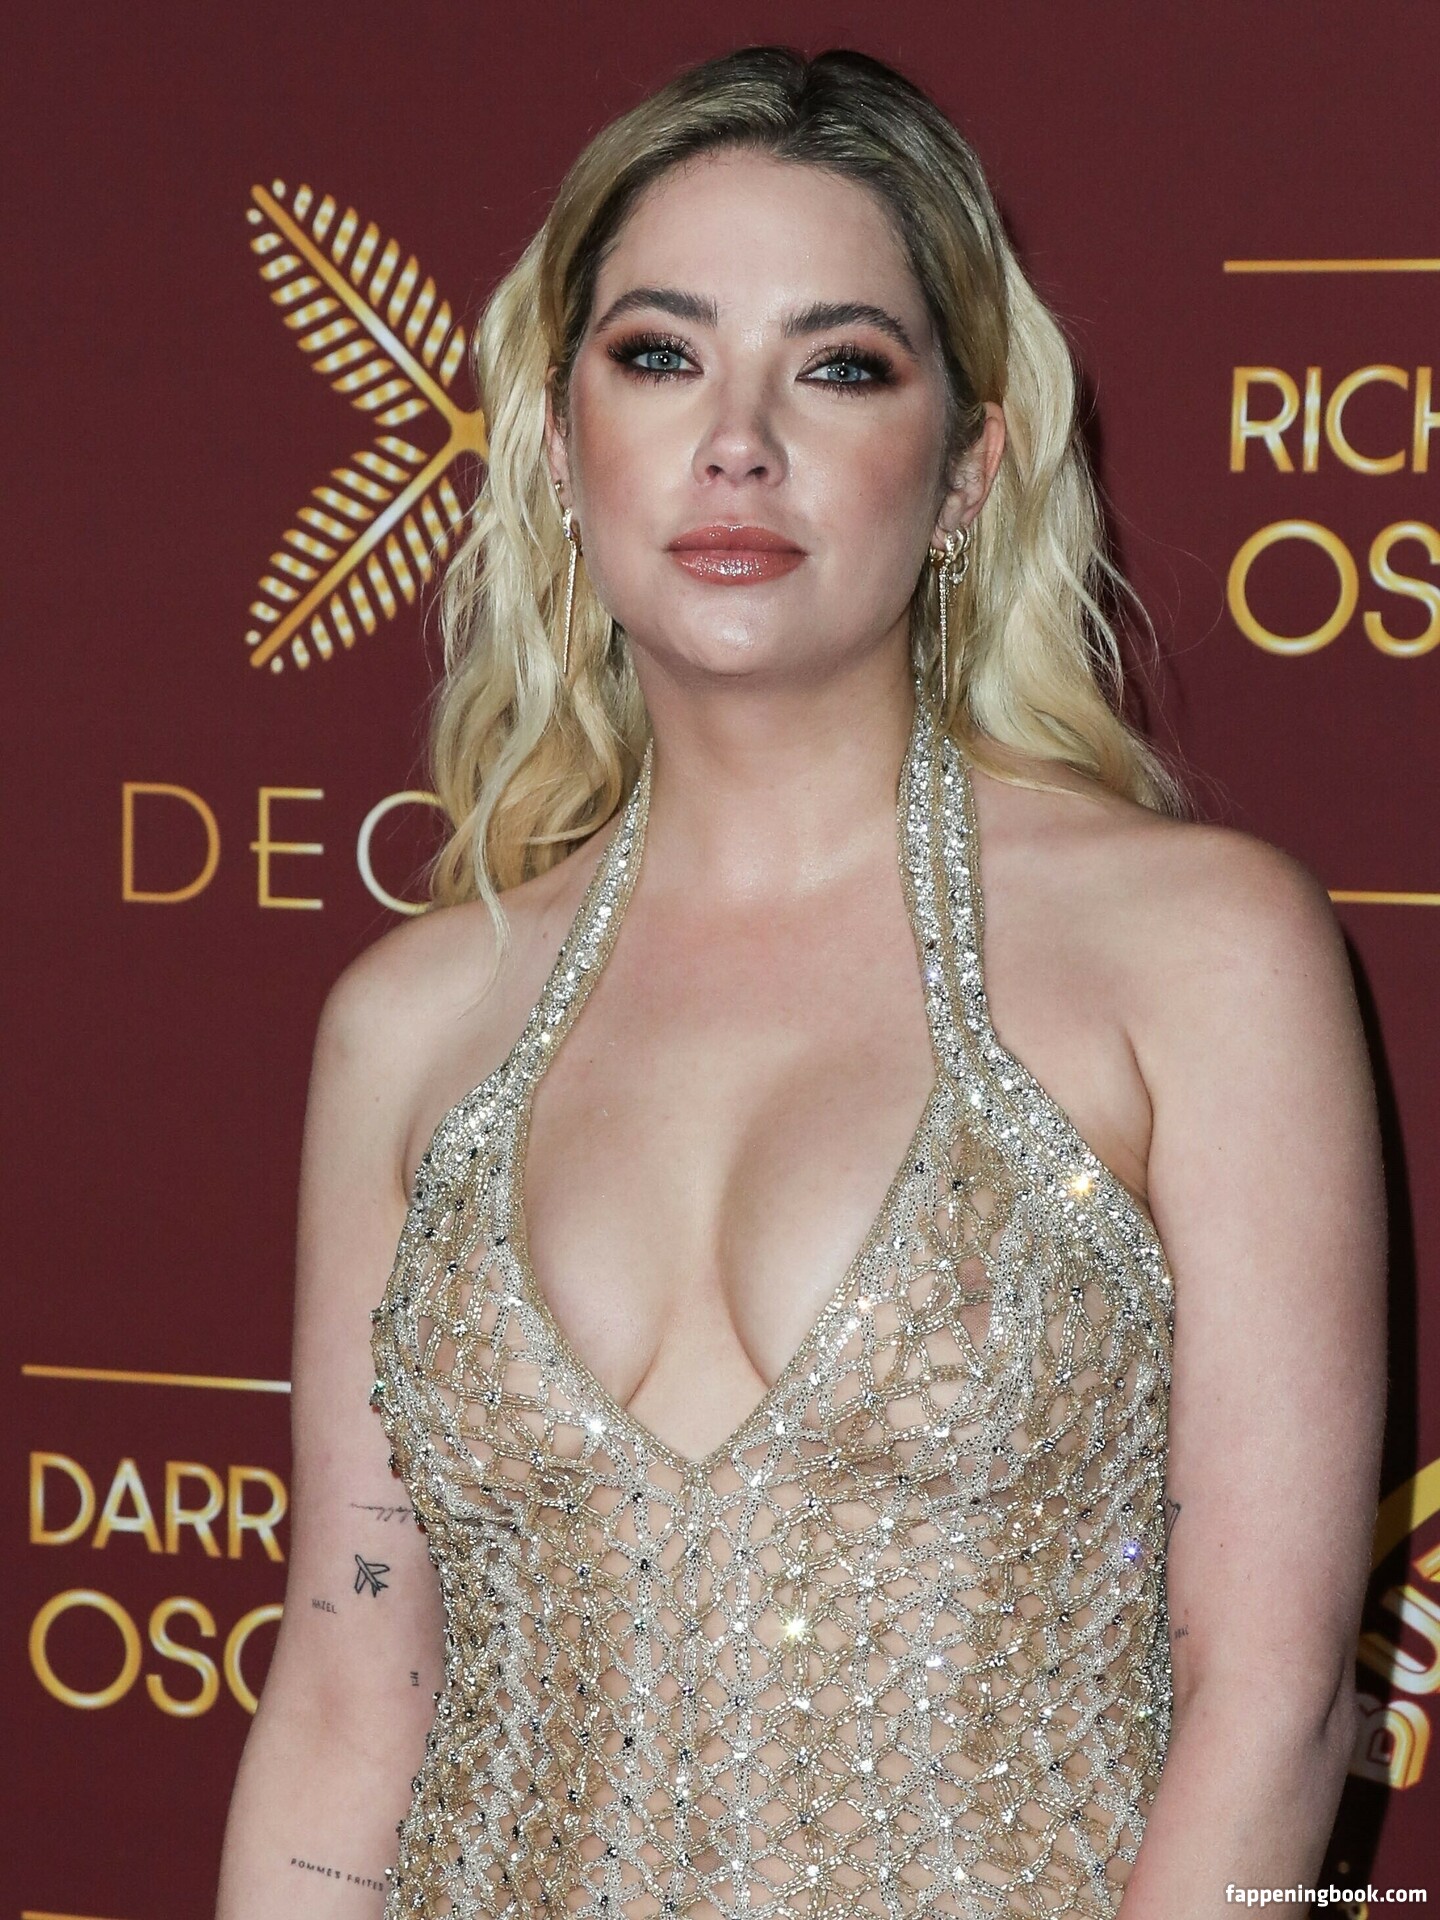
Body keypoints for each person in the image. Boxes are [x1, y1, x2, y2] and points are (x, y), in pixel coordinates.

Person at [215, 44, 1387, 1920]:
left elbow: (1272, 1703)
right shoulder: (412, 1020)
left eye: (838, 366)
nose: (737, 443)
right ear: (559, 443)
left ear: (967, 470)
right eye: (658, 356)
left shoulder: (1199, 955)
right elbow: (354, 1688)